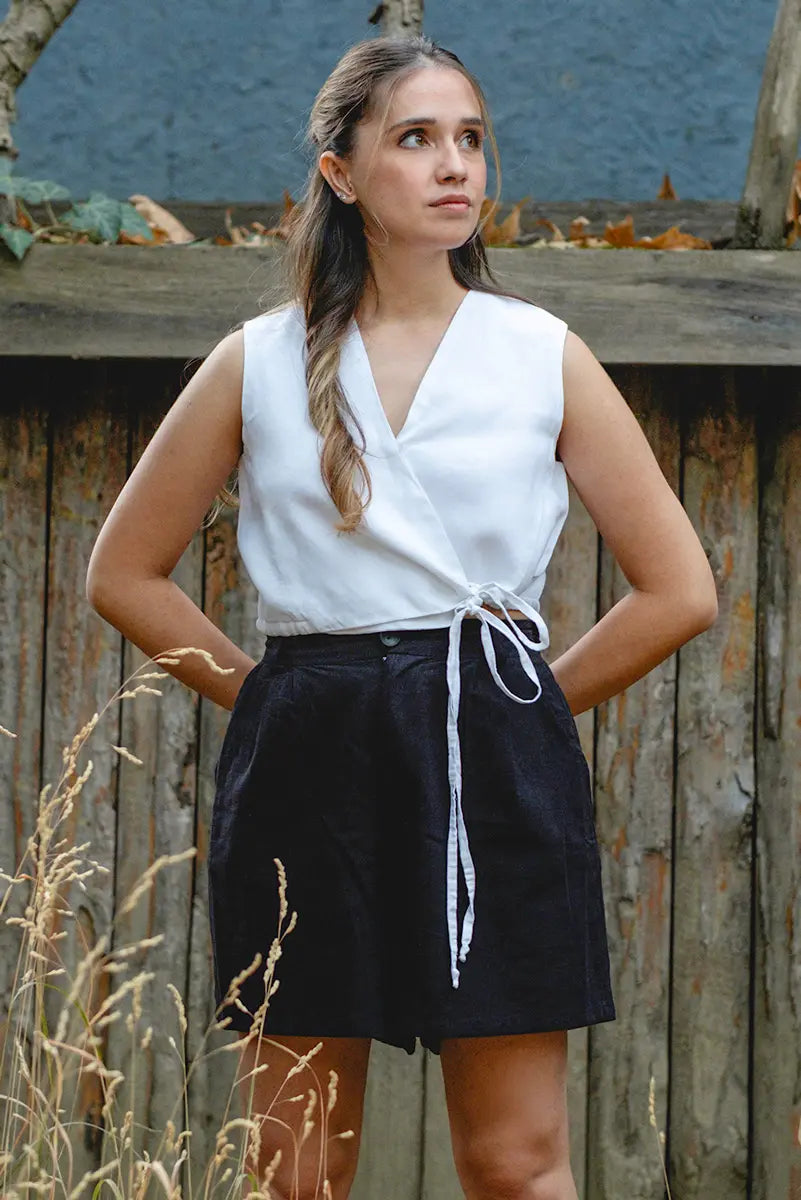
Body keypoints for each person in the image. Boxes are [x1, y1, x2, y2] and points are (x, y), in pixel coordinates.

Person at [86, 32, 718, 1200]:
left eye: (469, 138)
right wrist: (272, 697)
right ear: (340, 172)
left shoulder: (542, 355)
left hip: (496, 769)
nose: (454, 164)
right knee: (295, 1166)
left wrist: (513, 710)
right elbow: (123, 571)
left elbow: (680, 589)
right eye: (416, 138)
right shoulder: (256, 363)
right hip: (308, 765)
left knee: (517, 1161)